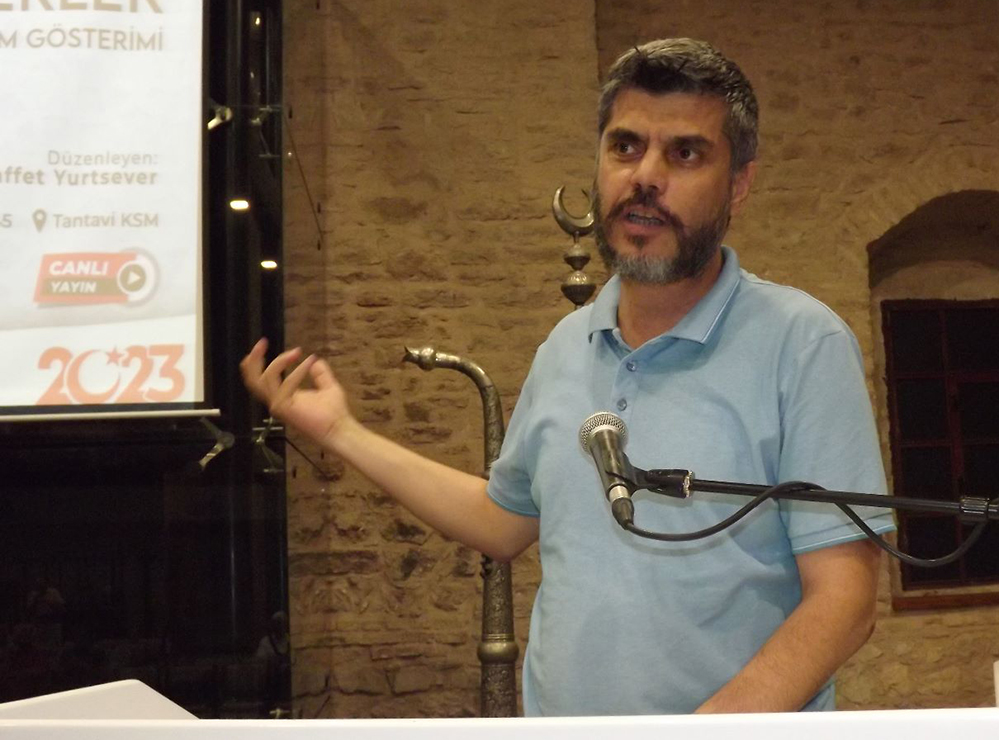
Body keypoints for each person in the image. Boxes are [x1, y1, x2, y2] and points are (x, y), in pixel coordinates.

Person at [241, 38, 895, 716]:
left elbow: (844, 602)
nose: (645, 176)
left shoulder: (801, 343)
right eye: (625, 146)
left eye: (685, 154)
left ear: (738, 185)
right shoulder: (566, 345)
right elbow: (502, 521)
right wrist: (342, 432)